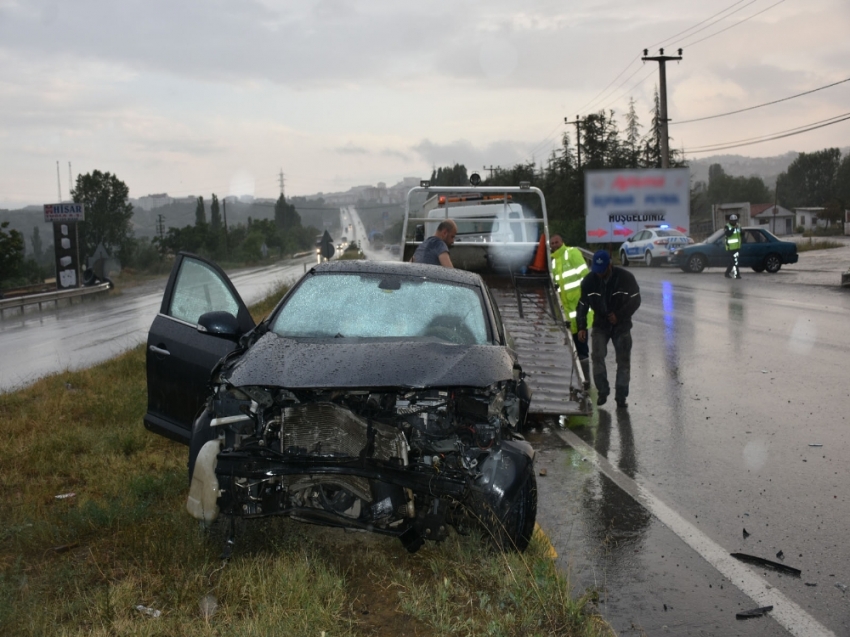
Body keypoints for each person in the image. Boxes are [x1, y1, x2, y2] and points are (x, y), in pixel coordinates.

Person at [576, 250, 641, 409]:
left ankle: (621, 396)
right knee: (597, 356)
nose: (599, 274)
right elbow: (582, 305)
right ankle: (602, 391)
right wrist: (581, 327)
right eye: (596, 271)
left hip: (621, 325)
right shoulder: (589, 281)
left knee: (623, 361)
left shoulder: (625, 278)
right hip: (600, 324)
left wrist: (619, 315)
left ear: (609, 265)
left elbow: (636, 299)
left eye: (602, 270)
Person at [549, 234, 593, 386]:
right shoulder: (554, 262)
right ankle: (580, 380)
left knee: (582, 348)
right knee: (574, 348)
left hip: (580, 309)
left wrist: (585, 298)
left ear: (562, 242)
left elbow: (585, 276)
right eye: (552, 243)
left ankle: (586, 380)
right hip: (568, 314)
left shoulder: (572, 253)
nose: (554, 245)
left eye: (556, 242)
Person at [724, 214, 742, 279]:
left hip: (737, 247)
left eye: (735, 221)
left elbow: (740, 234)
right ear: (730, 221)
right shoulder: (727, 226)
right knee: (735, 261)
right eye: (732, 221)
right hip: (730, 248)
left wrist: (743, 232)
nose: (734, 222)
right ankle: (737, 275)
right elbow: (728, 234)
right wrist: (734, 228)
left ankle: (727, 273)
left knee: (732, 262)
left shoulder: (739, 226)